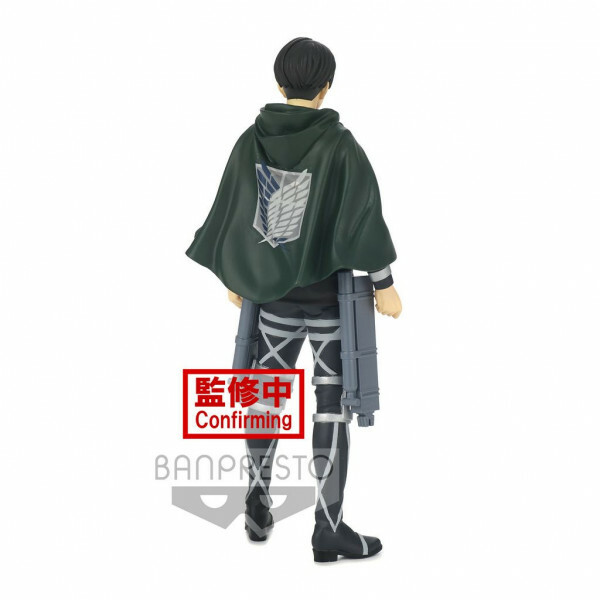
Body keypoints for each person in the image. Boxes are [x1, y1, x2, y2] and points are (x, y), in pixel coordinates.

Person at [186, 37, 402, 562]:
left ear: (279, 83)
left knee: (265, 398)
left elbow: (233, 209)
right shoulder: (340, 145)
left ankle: (257, 504)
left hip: (273, 303)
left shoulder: (252, 141)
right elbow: (362, 218)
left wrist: (234, 274)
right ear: (327, 87)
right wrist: (383, 283)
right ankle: (329, 528)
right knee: (332, 408)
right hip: (330, 305)